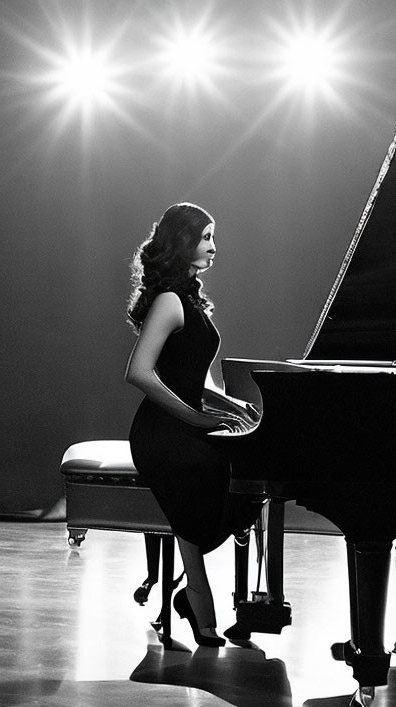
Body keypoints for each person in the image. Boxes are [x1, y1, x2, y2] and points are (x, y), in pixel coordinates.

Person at [124, 202, 260, 647]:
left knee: (249, 468)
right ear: (182, 242)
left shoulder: (190, 302)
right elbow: (140, 372)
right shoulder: (167, 302)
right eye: (206, 237)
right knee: (207, 469)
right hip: (160, 433)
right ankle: (197, 594)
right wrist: (195, 418)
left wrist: (234, 406)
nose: (214, 246)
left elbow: (197, 379)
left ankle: (212, 598)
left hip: (182, 424)